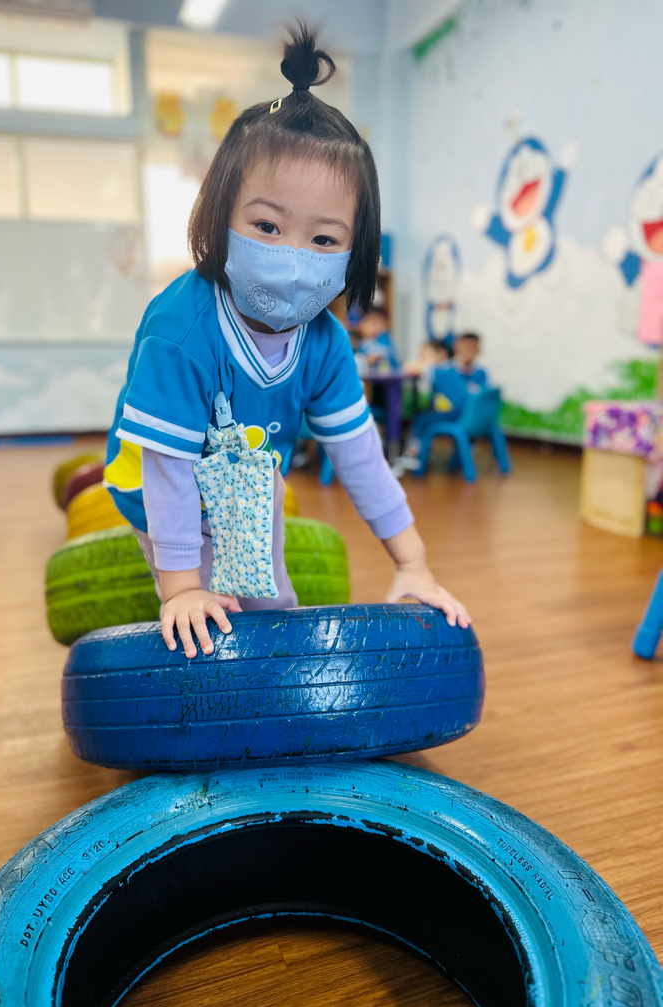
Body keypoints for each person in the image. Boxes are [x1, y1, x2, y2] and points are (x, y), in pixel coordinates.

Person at [105, 24, 470, 659]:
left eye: (324, 239)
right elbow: (168, 469)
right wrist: (182, 590)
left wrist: (413, 562)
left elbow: (360, 455)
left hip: (250, 479)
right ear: (220, 212)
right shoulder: (181, 329)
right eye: (268, 226)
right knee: (206, 600)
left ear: (356, 250)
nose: (294, 258)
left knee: (269, 599)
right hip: (158, 479)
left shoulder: (325, 343)